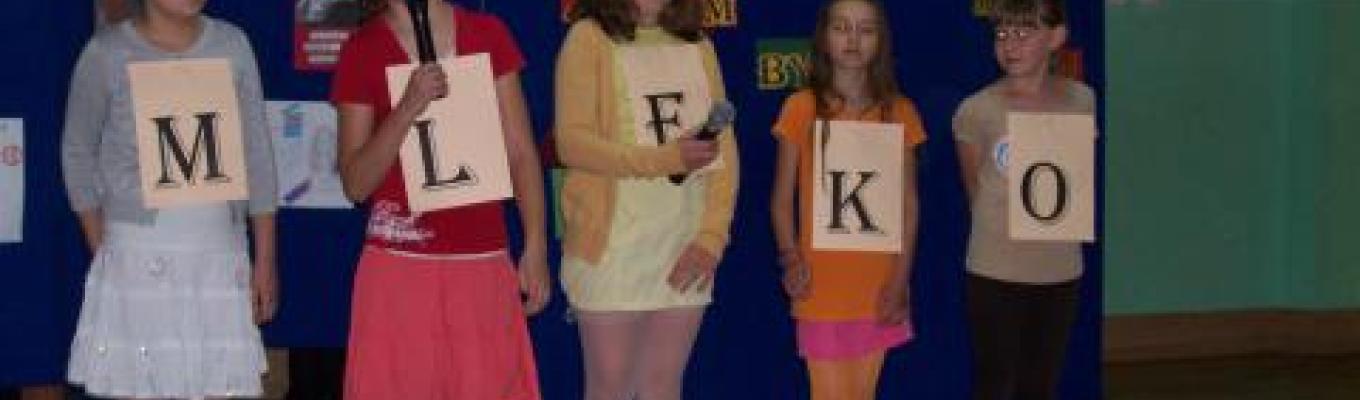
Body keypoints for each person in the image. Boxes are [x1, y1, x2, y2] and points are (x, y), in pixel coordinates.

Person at [330, 0, 550, 398]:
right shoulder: (363, 48)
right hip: (399, 267)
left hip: (480, 262)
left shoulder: (487, 33)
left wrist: (535, 245)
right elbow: (356, 184)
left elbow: (521, 152)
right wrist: (406, 108)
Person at [62, 0, 279, 397]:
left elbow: (257, 154)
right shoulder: (106, 52)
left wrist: (264, 260)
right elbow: (77, 152)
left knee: (216, 386)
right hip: (137, 250)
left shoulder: (233, 44)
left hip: (219, 251)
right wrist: (103, 248)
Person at [554, 0, 739, 398]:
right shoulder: (588, 38)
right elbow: (572, 143)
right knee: (610, 389)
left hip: (683, 243)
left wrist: (711, 237)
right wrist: (665, 159)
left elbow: (724, 150)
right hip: (611, 248)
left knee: (663, 387)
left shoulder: (698, 43)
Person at [953, 0, 1096, 398]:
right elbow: (974, 187)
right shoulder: (976, 109)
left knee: (1040, 383)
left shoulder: (1082, 100)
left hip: (1058, 269)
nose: (1010, 44)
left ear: (1056, 38)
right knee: (994, 381)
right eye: (1001, 34)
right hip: (995, 268)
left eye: (1023, 32)